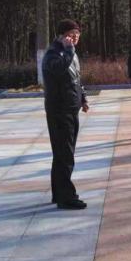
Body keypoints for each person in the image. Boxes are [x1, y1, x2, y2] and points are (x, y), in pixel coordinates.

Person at [42, 19, 90, 210]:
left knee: (62, 154)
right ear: (61, 36)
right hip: (60, 111)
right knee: (65, 155)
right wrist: (69, 51)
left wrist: (83, 98)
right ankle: (66, 197)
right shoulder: (53, 54)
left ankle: (58, 193)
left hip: (70, 108)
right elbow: (59, 69)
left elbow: (76, 78)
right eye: (70, 35)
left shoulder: (70, 53)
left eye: (77, 34)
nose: (74, 38)